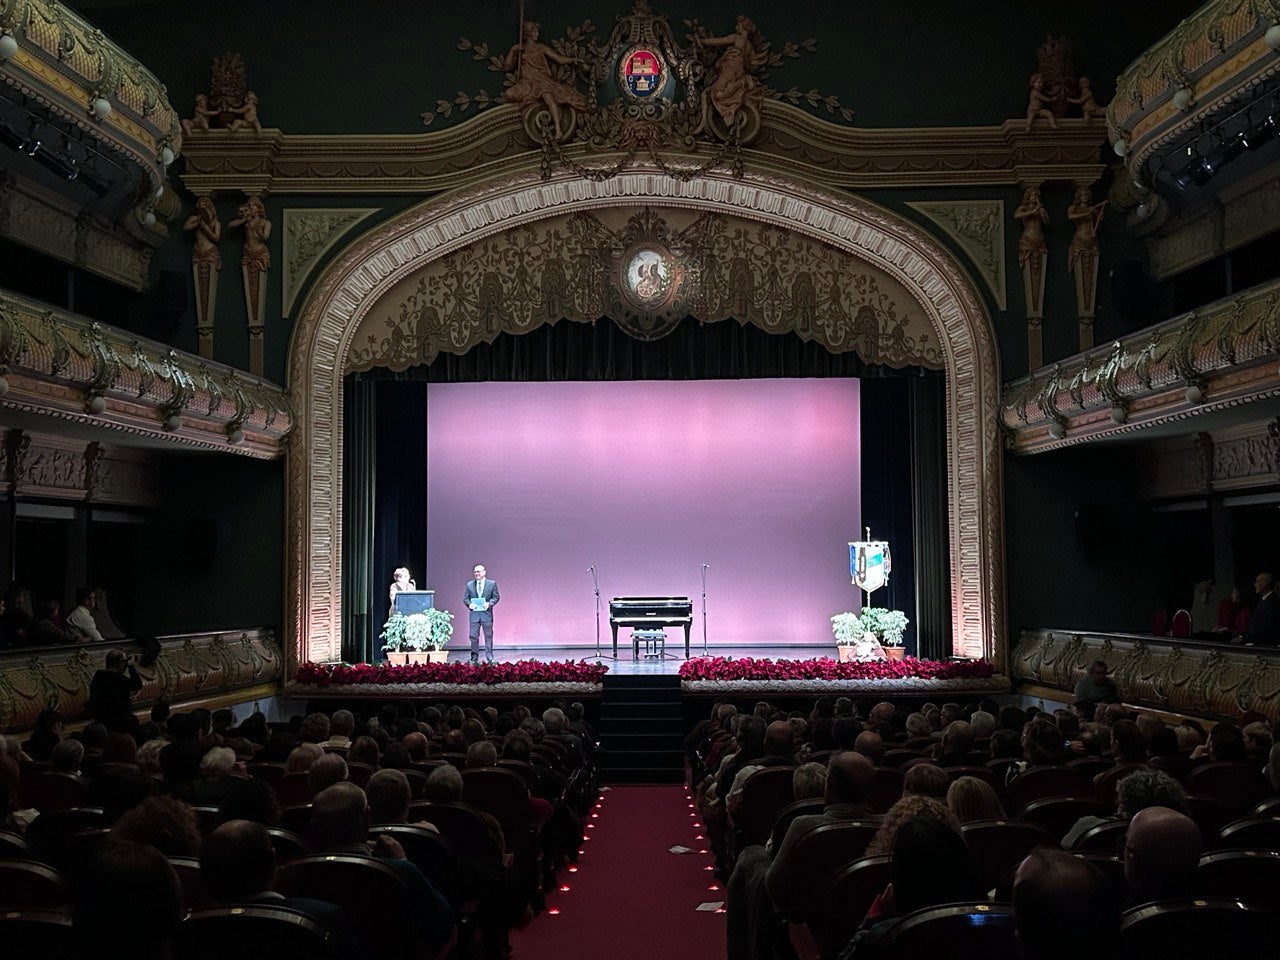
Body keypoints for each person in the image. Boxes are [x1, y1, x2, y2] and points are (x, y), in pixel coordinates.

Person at [88, 647, 143, 731]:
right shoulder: (118, 679)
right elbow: (137, 685)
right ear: (120, 662)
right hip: (118, 723)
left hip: (101, 722)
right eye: (124, 661)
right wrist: (131, 667)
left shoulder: (98, 675)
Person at [464, 563, 499, 663]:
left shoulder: (491, 584)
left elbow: (496, 597)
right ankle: (474, 657)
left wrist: (489, 604)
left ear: (484, 572)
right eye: (475, 572)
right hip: (474, 615)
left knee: (488, 636)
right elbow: (465, 598)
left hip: (486, 614)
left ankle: (489, 656)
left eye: (478, 571)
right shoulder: (470, 584)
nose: (476, 574)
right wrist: (469, 604)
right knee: (473, 636)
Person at [1241, 571, 1280, 646]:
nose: (1255, 585)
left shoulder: (1273, 602)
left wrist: (1245, 640)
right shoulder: (1262, 601)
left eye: (1257, 582)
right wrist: (1242, 636)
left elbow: (1265, 628)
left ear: (1265, 583)